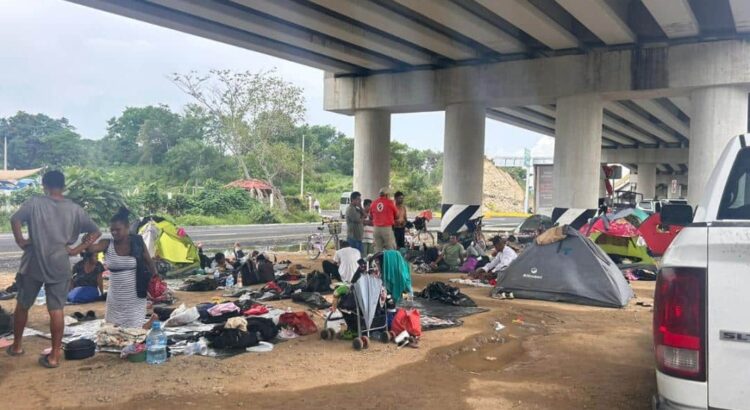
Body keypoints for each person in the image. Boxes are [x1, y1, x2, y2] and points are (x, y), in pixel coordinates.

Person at [7, 170, 101, 368]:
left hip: (32, 262)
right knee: (56, 310)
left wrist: (21, 240)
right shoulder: (75, 209)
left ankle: (16, 346)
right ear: (64, 186)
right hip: (60, 262)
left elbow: (15, 219)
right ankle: (54, 357)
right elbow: (95, 231)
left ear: (44, 185)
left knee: (23, 305)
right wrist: (77, 249)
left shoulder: (34, 203)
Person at [84, 208, 157, 330]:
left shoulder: (137, 242)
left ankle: (151, 321)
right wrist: (87, 240)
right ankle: (151, 321)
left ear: (127, 227)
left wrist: (156, 279)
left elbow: (149, 261)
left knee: (134, 331)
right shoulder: (107, 243)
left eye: (118, 230)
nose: (114, 233)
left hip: (135, 293)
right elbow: (91, 249)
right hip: (115, 295)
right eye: (112, 230)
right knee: (113, 329)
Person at [370, 188, 398, 252]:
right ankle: (390, 261)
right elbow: (396, 215)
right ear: (387, 195)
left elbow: (371, 216)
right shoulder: (390, 202)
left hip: (376, 229)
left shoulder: (373, 203)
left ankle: (379, 261)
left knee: (377, 249)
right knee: (391, 248)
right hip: (386, 228)